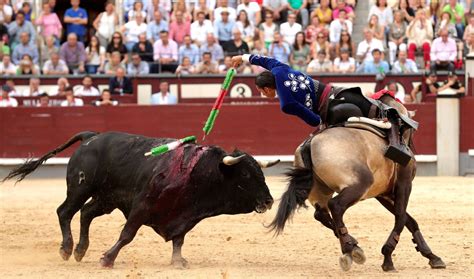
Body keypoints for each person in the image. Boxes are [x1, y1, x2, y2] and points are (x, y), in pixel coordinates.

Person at [231, 53, 414, 165]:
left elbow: (313, 119)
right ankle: (398, 139)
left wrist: (321, 125)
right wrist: (243, 58)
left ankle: (397, 148)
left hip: (332, 110)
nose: (263, 95)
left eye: (262, 92)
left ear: (268, 88)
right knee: (374, 108)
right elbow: (263, 60)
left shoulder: (285, 103)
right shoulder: (278, 68)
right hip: (336, 91)